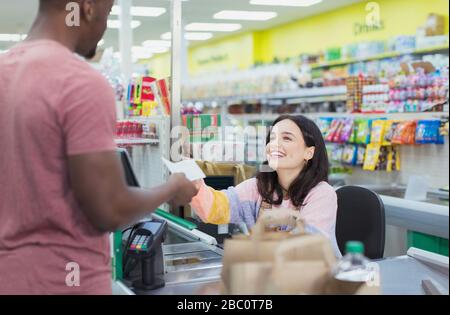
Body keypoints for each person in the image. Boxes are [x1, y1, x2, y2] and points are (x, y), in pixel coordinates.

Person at [0, 0, 198, 294]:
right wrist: (172, 188)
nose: (105, 26)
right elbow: (109, 209)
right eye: (108, 11)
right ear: (88, 7)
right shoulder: (79, 83)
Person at [191, 115, 340, 254]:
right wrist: (194, 187)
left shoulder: (321, 194)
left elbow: (306, 247)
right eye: (272, 138)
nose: (274, 144)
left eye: (287, 138)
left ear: (309, 152)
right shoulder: (257, 188)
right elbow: (217, 207)